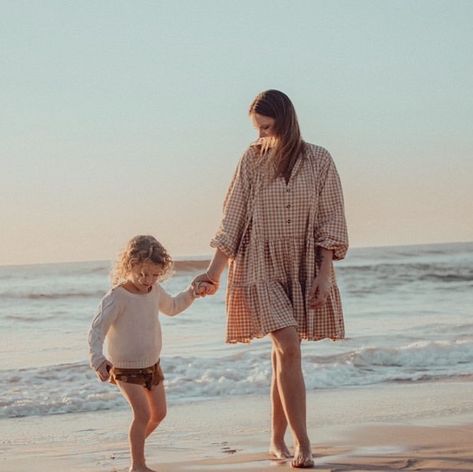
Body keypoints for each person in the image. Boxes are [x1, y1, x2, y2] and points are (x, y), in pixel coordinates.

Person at [193, 90, 348, 468]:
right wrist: (213, 273)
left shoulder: (320, 160)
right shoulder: (251, 160)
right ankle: (304, 444)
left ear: (284, 119)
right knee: (289, 347)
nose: (261, 135)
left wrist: (324, 274)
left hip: (301, 265)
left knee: (285, 354)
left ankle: (277, 439)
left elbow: (331, 219)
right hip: (258, 265)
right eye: (257, 129)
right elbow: (233, 219)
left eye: (266, 126)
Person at [88, 235, 205, 472]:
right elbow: (96, 330)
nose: (147, 280)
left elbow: (172, 307)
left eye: (154, 275)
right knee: (141, 415)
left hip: (152, 366)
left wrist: (193, 292)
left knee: (158, 414)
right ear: (128, 266)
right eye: (142, 273)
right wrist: (98, 360)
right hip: (125, 369)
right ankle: (137, 465)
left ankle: (134, 447)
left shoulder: (154, 290)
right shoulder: (116, 297)